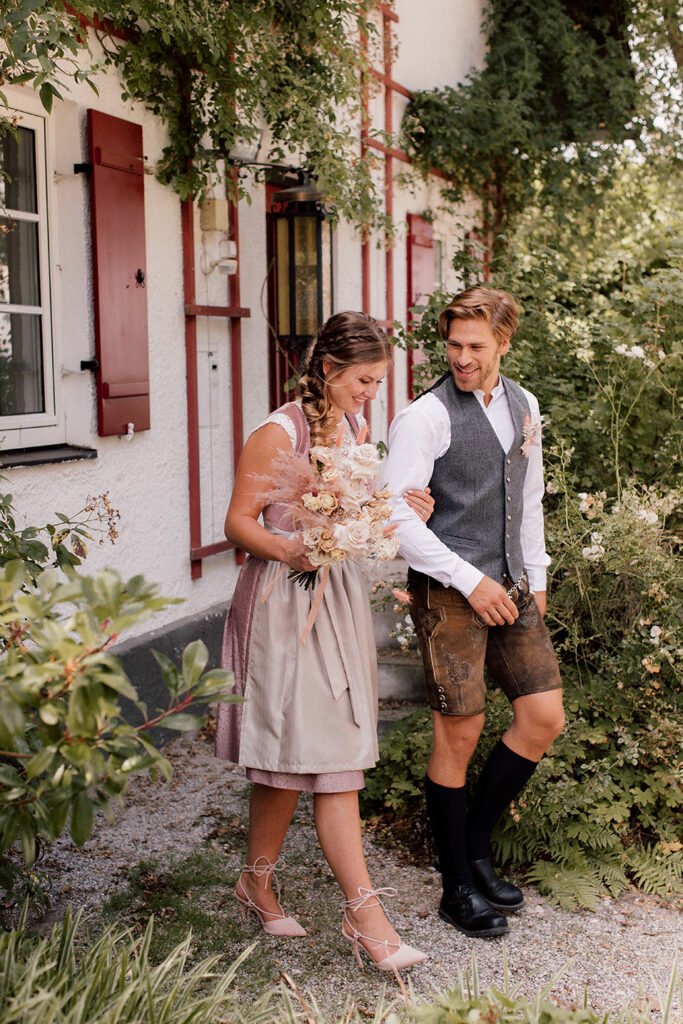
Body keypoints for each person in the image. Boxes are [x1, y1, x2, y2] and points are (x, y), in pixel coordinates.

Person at [215, 311, 431, 973]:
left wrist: (398, 509)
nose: (371, 393)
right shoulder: (277, 432)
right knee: (319, 756)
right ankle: (367, 919)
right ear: (329, 369)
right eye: (363, 380)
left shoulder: (357, 428)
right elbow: (236, 522)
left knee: (308, 752)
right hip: (282, 603)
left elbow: (357, 514)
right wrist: (293, 548)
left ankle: (255, 880)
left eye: (377, 382)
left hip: (333, 602)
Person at [382, 287, 565, 938]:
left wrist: (534, 577)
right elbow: (395, 516)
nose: (461, 357)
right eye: (453, 344)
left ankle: (473, 848)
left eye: (475, 346)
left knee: (542, 717)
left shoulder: (525, 406)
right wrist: (468, 580)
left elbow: (529, 496)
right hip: (447, 587)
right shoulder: (423, 417)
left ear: (503, 344)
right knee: (458, 732)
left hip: (512, 584)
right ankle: (457, 883)